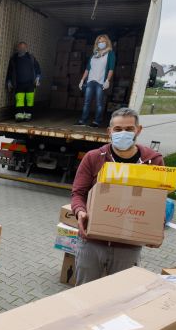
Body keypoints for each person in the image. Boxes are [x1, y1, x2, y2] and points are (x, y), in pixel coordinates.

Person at [70, 107, 164, 285]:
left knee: (120, 297)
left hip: (128, 247)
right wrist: (80, 211)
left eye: (129, 129)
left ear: (139, 130)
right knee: (84, 295)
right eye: (118, 129)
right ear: (109, 131)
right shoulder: (94, 158)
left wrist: (156, 231)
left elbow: (157, 203)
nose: (124, 133)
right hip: (92, 242)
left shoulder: (153, 162)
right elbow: (78, 193)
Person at [77, 34, 116, 127]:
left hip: (100, 82)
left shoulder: (110, 54)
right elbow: (87, 69)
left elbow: (111, 69)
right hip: (90, 81)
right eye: (99, 42)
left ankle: (97, 121)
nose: (101, 43)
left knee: (99, 103)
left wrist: (107, 80)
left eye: (103, 41)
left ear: (107, 42)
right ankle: (82, 121)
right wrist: (82, 80)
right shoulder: (94, 54)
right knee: (87, 102)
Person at [5, 41, 41, 122]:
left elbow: (38, 69)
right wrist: (9, 81)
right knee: (19, 101)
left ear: (26, 48)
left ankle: (28, 115)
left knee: (29, 100)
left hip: (30, 84)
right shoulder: (13, 59)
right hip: (18, 84)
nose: (22, 49)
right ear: (17, 48)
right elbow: (10, 71)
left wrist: (38, 78)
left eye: (23, 47)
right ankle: (19, 116)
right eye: (20, 47)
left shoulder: (31, 58)